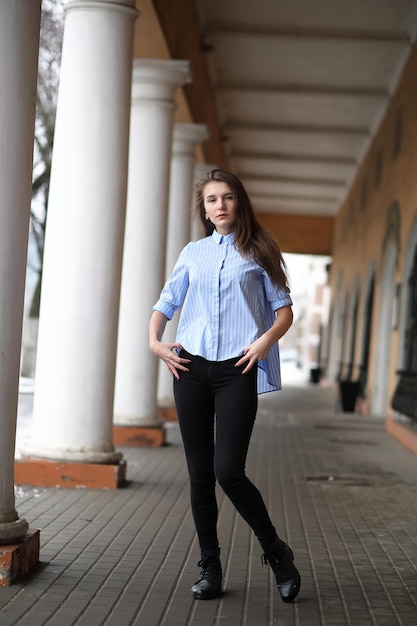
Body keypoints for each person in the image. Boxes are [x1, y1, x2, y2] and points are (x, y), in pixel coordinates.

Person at [149, 169, 300, 603]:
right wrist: (155, 342)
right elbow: (167, 302)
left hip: (238, 369)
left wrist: (265, 341)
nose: (220, 206)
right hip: (190, 368)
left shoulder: (259, 252)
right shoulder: (193, 253)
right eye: (212, 199)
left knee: (227, 471)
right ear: (204, 208)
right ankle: (210, 565)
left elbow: (284, 310)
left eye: (228, 197)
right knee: (198, 474)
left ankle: (276, 551)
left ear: (239, 203)